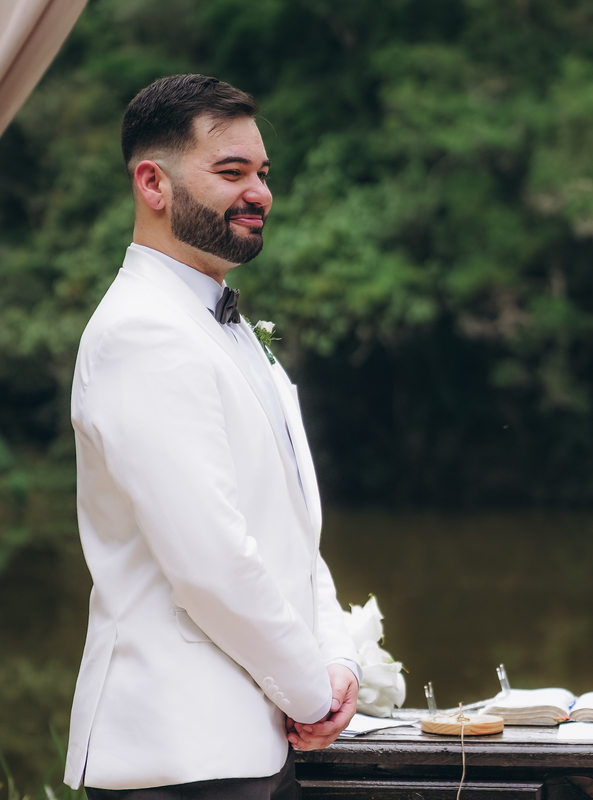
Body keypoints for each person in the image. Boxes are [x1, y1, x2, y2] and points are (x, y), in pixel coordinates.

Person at [63, 74, 362, 797]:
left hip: (254, 747)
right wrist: (310, 693)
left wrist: (338, 660)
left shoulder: (216, 322)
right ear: (153, 184)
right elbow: (210, 559)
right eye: (232, 173)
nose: (260, 193)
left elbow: (289, 527)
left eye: (263, 173)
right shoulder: (141, 332)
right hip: (179, 757)